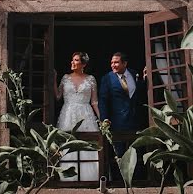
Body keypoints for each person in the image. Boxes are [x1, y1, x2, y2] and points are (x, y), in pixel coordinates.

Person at [98, 52, 147, 180]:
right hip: (117, 121)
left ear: (125, 63)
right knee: (119, 152)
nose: (113, 65)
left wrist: (145, 79)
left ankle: (137, 179)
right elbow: (103, 100)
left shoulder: (133, 73)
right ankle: (120, 180)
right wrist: (104, 119)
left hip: (134, 120)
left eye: (116, 62)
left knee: (135, 151)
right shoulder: (107, 78)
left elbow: (137, 92)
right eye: (112, 62)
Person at [53, 51, 100, 181]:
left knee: (87, 143)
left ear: (83, 64)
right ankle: (68, 178)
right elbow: (57, 96)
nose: (72, 63)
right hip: (68, 114)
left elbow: (94, 102)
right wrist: (54, 78)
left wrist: (101, 119)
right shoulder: (65, 77)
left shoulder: (91, 79)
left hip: (86, 114)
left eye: (76, 60)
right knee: (67, 143)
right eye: (72, 60)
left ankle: (89, 177)